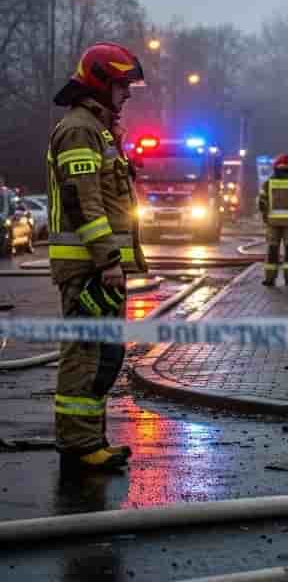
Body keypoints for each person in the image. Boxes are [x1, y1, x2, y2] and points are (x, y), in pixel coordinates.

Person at [47, 42, 147, 472]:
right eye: (123, 86)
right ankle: (79, 446)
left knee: (104, 355)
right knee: (86, 353)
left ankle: (91, 439)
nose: (127, 95)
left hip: (100, 265)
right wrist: (107, 260)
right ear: (102, 83)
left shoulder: (97, 129)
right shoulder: (79, 130)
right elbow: (83, 201)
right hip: (88, 265)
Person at [258, 153, 288, 286]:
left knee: (272, 250)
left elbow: (262, 202)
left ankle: (270, 278)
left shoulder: (268, 183)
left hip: (272, 223)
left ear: (275, 167)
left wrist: (265, 214)